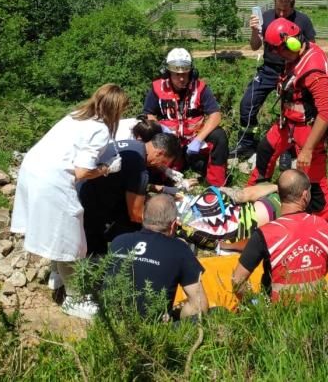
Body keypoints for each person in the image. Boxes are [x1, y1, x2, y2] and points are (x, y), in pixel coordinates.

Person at [11, 83, 129, 318]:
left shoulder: (76, 116)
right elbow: (82, 173)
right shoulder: (99, 129)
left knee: (57, 228)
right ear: (116, 109)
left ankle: (57, 274)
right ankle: (75, 299)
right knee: (70, 237)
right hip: (51, 179)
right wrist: (106, 168)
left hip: (33, 169)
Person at [245, 17, 328, 223]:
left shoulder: (314, 70)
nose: (277, 55)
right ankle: (254, 198)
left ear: (292, 44)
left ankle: (322, 225)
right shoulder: (296, 56)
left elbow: (326, 112)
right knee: (266, 151)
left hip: (308, 129)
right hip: (288, 123)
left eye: (279, 50)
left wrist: (308, 149)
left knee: (315, 181)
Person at [236, 0, 317, 165]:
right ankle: (247, 143)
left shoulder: (303, 20)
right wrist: (254, 31)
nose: (281, 13)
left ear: (292, 5)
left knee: (290, 113)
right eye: (278, 8)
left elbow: (311, 49)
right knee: (247, 104)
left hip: (292, 72)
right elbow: (255, 46)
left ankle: (287, 149)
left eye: (285, 9)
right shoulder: (265, 17)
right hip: (268, 70)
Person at [80, 120, 184, 256]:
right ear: (159, 153)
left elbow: (133, 188)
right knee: (97, 258)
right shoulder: (139, 169)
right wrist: (163, 226)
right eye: (164, 162)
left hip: (82, 189)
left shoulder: (133, 146)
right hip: (88, 208)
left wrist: (165, 191)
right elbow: (135, 215)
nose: (160, 166)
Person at [232, 170, 328, 302]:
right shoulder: (324, 226)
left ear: (279, 194)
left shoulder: (265, 234)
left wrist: (254, 305)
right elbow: (327, 266)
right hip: (317, 306)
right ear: (305, 195)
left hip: (277, 313)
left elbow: (237, 280)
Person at [109, 194, 209, 319]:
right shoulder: (179, 249)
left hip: (110, 322)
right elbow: (199, 306)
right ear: (173, 225)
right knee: (216, 311)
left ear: (143, 217)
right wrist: (177, 315)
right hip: (152, 330)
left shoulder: (118, 241)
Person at [143, 48, 230, 187]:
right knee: (147, 135)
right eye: (177, 75)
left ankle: (216, 185)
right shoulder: (157, 88)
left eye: (185, 74)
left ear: (191, 72)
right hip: (170, 143)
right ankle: (160, 181)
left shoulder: (200, 87)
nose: (182, 78)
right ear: (168, 73)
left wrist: (198, 139)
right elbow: (147, 114)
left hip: (194, 142)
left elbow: (215, 115)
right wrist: (161, 129)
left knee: (219, 135)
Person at [177, 183, 281, 251]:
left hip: (257, 229)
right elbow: (243, 195)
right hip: (270, 209)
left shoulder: (187, 233)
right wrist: (277, 186)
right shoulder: (210, 193)